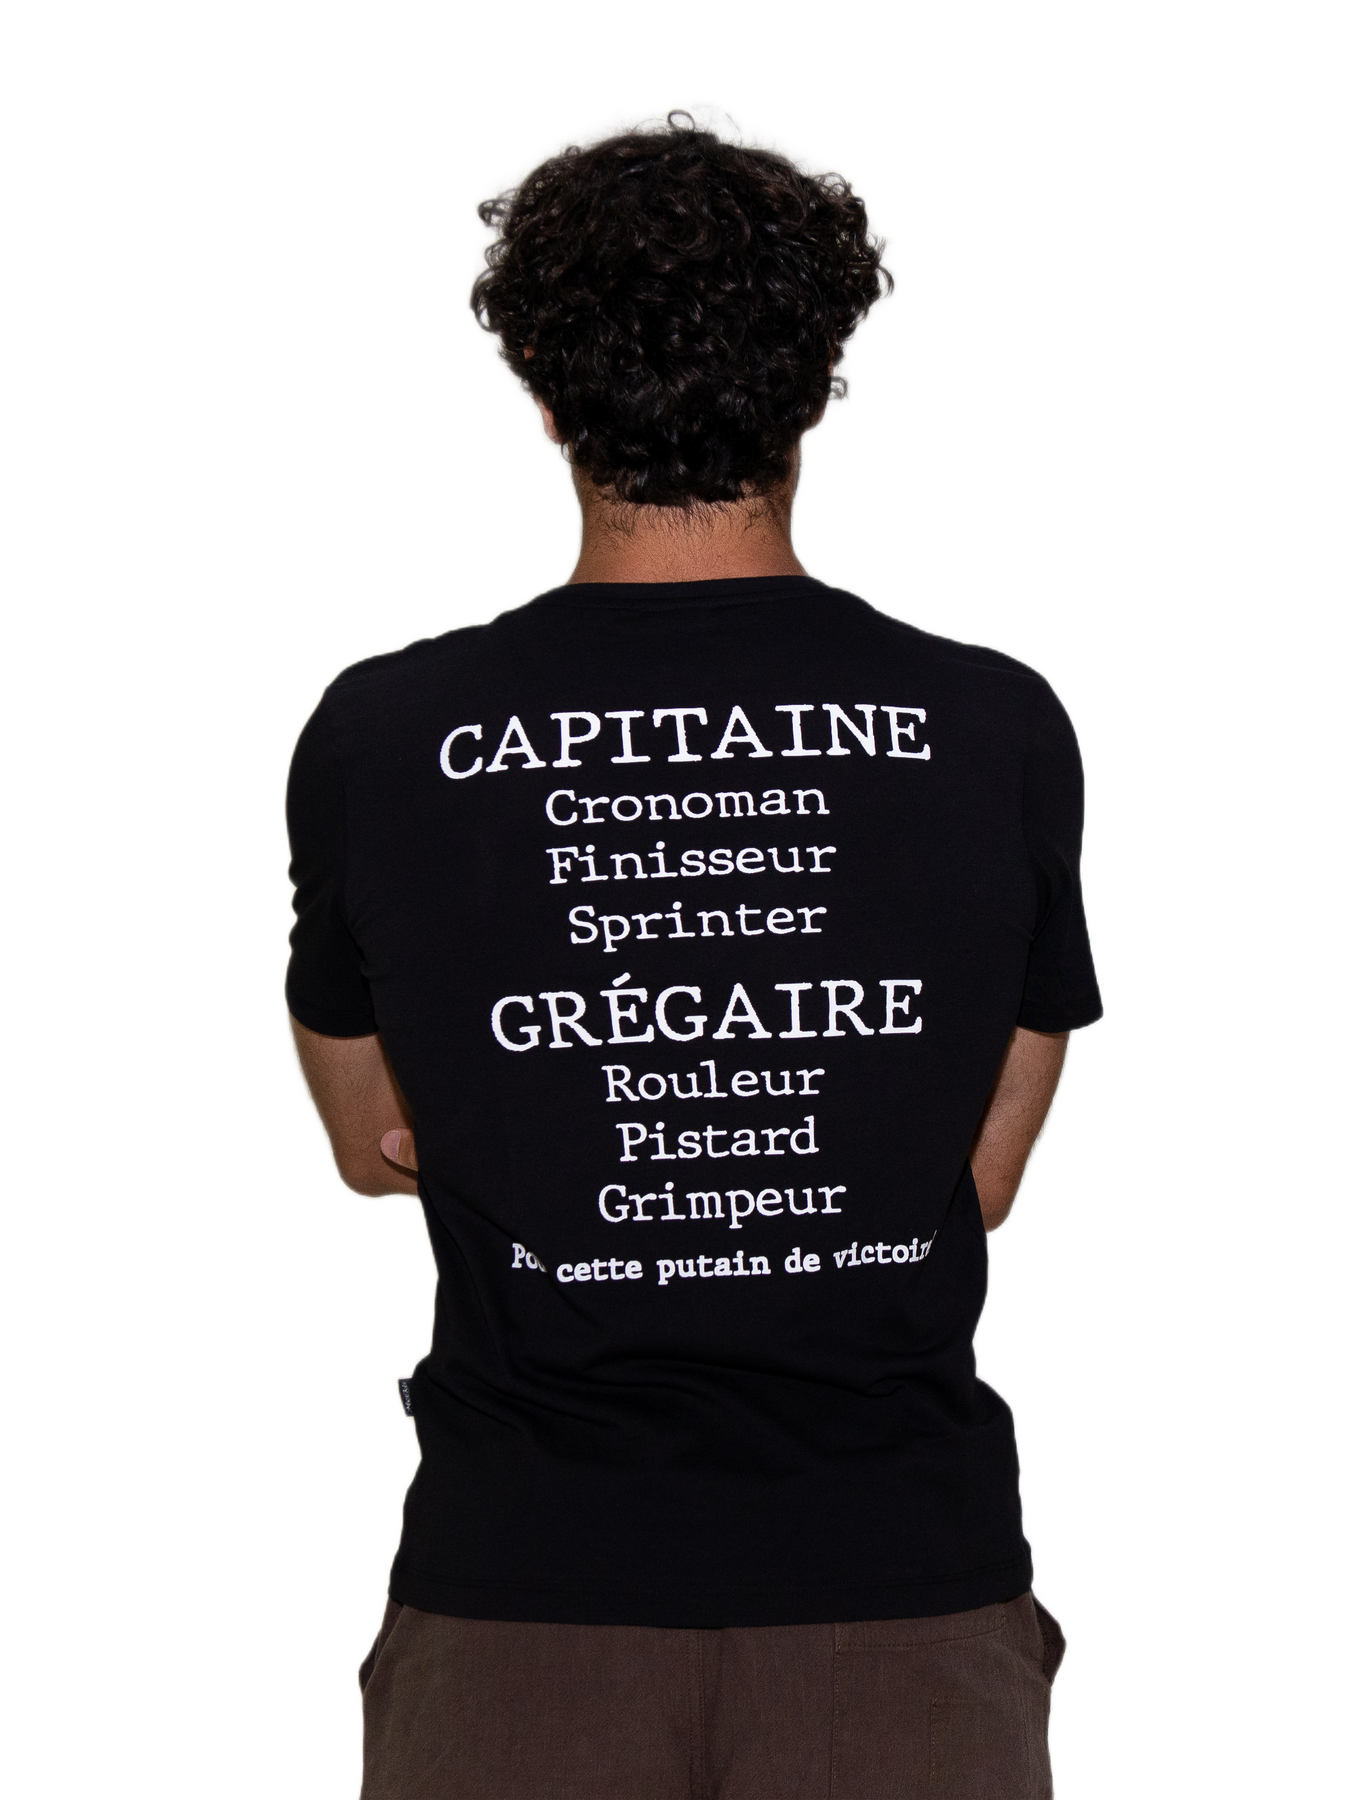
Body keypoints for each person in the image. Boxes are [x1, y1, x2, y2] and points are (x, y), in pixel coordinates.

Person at [287, 115, 1101, 1800]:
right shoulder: (990, 726)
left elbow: (374, 1144)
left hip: (518, 1596)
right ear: (811, 389)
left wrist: (529, 1131)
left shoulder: (385, 734)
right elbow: (973, 1177)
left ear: (542, 390)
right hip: (901, 1590)